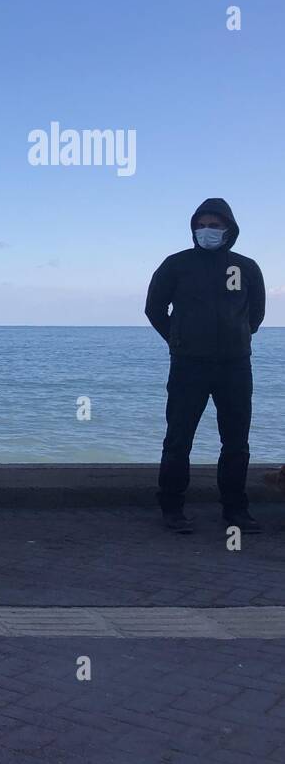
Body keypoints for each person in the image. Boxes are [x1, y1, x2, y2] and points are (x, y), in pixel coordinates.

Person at [144, 199, 265, 533]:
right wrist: (177, 339)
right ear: (193, 228)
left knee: (236, 441)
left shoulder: (247, 267)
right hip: (188, 366)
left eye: (215, 225)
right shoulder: (176, 265)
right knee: (179, 438)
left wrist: (236, 337)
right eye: (202, 224)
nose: (207, 231)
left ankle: (236, 511)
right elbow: (154, 308)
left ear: (229, 229)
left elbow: (256, 315)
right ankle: (172, 509)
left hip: (235, 366)